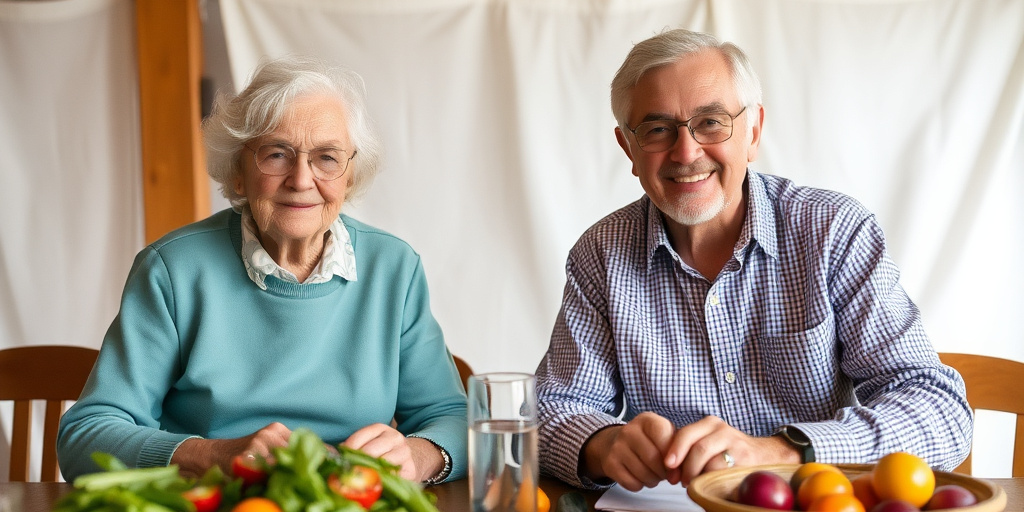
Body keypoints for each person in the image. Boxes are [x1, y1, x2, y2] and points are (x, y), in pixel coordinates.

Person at [534, 29, 972, 491]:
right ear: (629, 148)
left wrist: (782, 451)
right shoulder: (600, 255)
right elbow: (551, 408)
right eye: (658, 129)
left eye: (711, 122)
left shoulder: (834, 231)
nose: (686, 152)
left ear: (753, 132)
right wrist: (605, 443)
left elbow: (938, 409)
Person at [57, 56, 466, 484]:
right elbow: (85, 438)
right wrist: (210, 455)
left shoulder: (394, 269)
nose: (301, 179)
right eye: (276, 154)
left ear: (350, 175)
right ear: (237, 172)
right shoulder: (172, 270)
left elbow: (453, 418)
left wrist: (419, 456)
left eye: (327, 157)